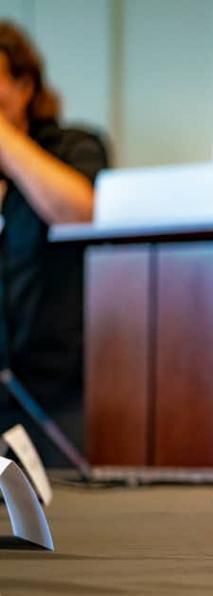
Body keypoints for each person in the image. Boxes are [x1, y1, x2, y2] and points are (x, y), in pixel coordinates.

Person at [0, 22, 108, 463]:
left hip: (59, 401)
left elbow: (83, 211)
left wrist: (4, 139)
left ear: (24, 86)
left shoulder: (73, 146)